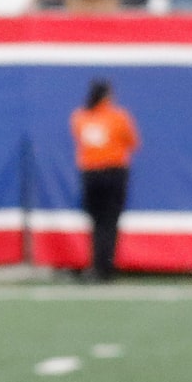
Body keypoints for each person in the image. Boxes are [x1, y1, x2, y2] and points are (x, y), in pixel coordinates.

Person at [70, 78, 137, 282]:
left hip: (90, 174)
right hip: (114, 172)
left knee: (97, 222)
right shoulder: (118, 117)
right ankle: (105, 267)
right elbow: (132, 142)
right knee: (110, 221)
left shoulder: (80, 117)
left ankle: (97, 265)